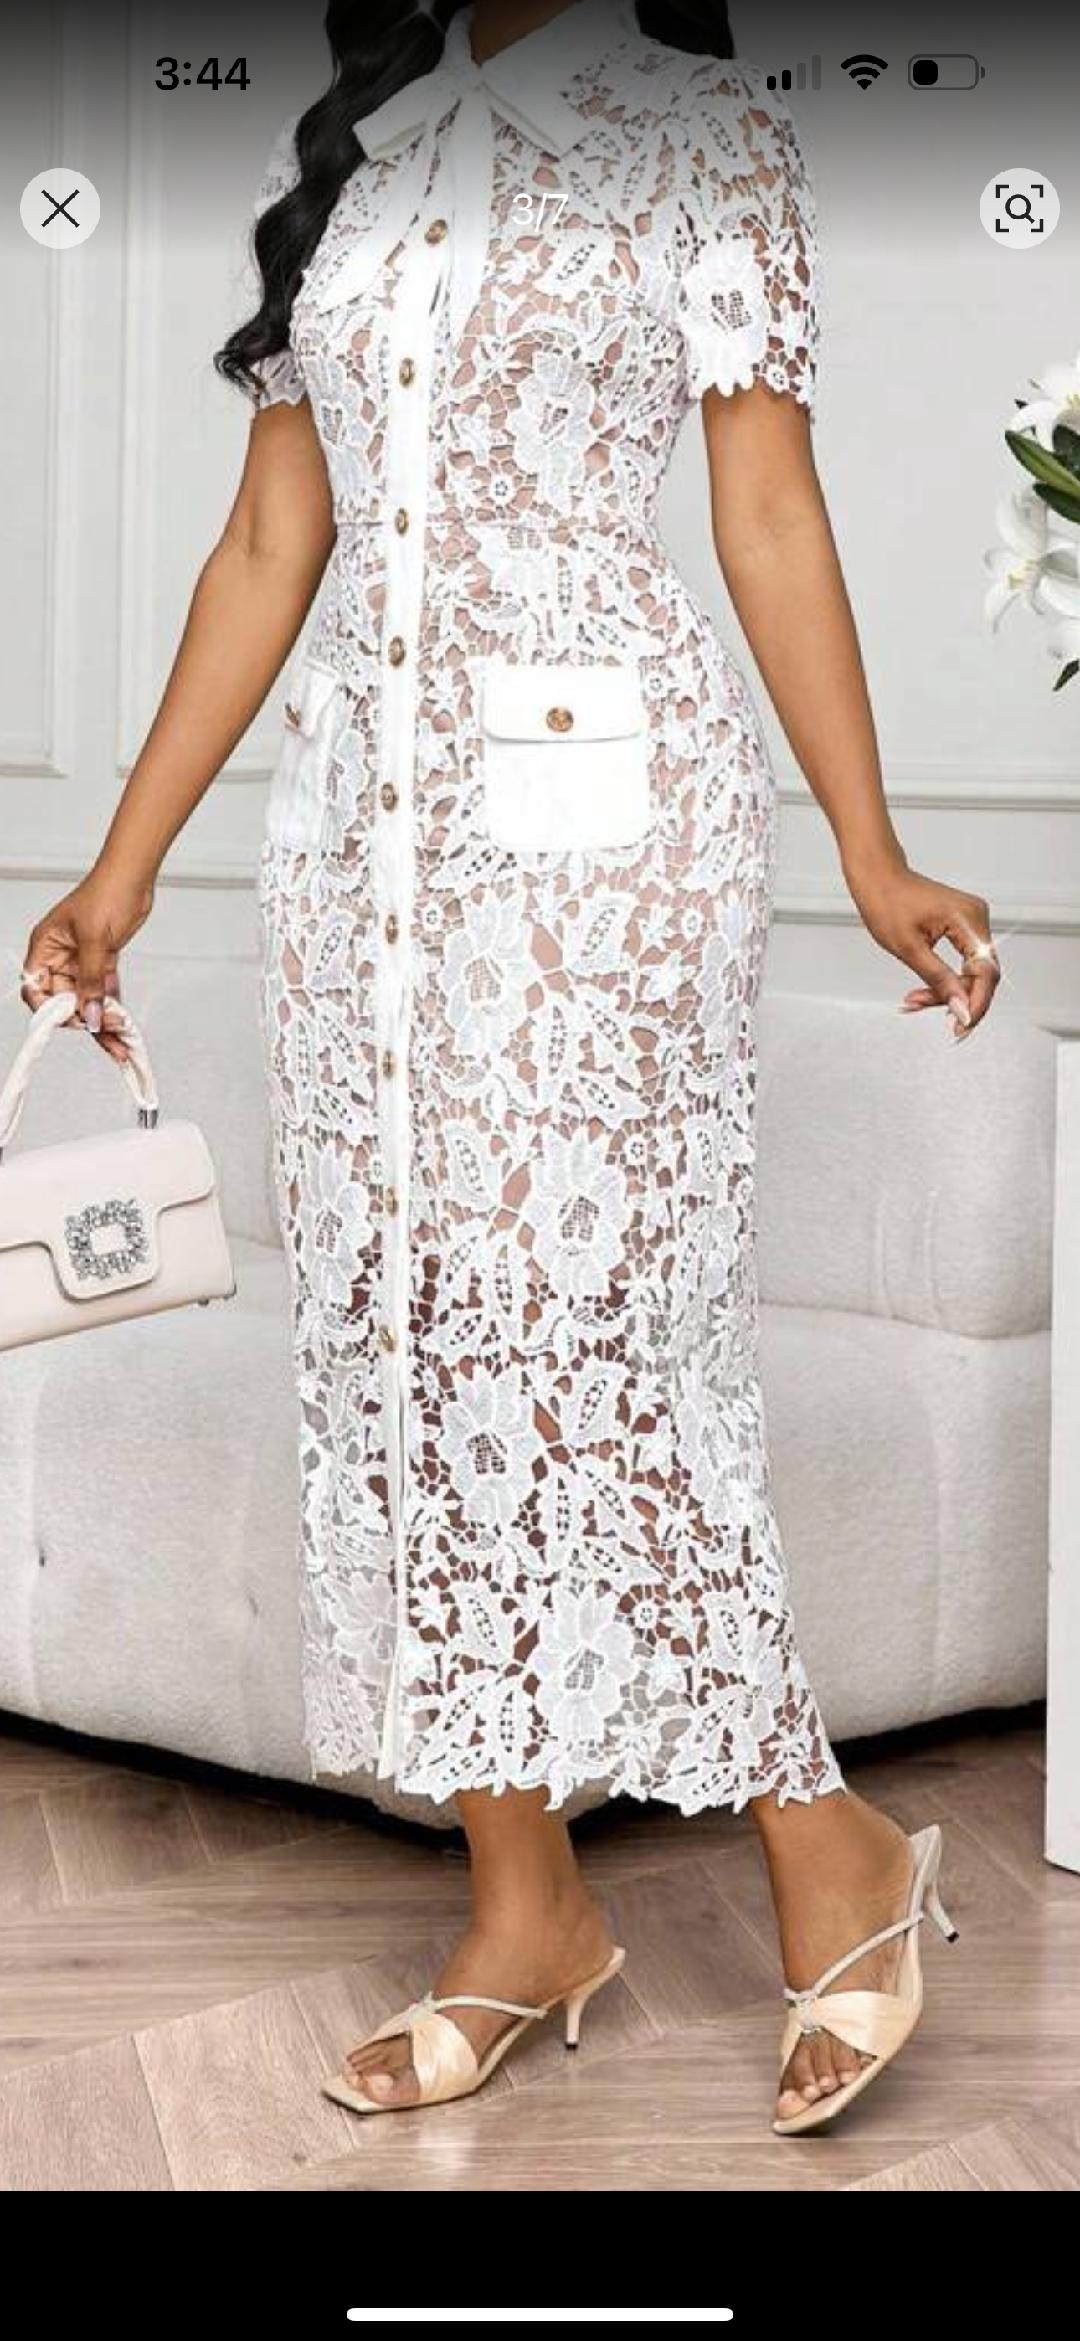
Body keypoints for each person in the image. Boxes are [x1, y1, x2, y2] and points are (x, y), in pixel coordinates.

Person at [21, 0, 996, 2135]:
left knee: (592, 1330)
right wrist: (120, 865)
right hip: (361, 857)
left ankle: (823, 1834)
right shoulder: (354, 152)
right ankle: (524, 1899)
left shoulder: (704, 133)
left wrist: (867, 841)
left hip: (606, 830)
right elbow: (271, 539)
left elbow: (765, 511)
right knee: (407, 1330)